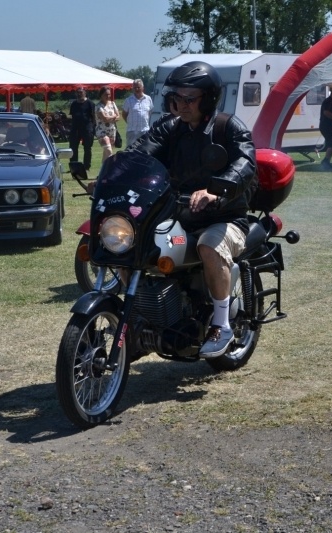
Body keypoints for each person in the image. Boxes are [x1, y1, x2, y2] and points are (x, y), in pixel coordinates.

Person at [130, 61, 257, 358]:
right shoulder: (169, 128)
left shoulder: (229, 127)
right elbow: (139, 152)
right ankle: (140, 317)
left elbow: (245, 163)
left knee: (209, 247)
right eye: (176, 98)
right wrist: (114, 173)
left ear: (209, 98)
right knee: (132, 244)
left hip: (226, 217)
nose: (180, 105)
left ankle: (222, 324)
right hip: (180, 217)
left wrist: (215, 190)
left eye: (189, 99)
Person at [69, 87, 96, 170]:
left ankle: (86, 166)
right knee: (73, 147)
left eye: (81, 92)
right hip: (75, 128)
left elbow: (94, 117)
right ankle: (74, 166)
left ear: (85, 92)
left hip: (87, 128)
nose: (79, 94)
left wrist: (93, 128)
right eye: (78, 92)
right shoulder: (74, 103)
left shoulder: (90, 103)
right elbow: (71, 115)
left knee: (87, 148)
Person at [122, 79, 153, 146]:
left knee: (144, 151)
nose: (137, 89)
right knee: (131, 152)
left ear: (143, 88)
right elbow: (124, 114)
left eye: (138, 87)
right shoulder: (128, 100)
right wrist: (130, 122)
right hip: (132, 131)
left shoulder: (148, 99)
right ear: (132, 88)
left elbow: (150, 113)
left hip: (145, 130)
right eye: (135, 87)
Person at [94, 86, 121, 162]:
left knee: (106, 154)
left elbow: (118, 116)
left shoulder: (112, 104)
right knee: (109, 151)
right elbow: (105, 119)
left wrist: (112, 117)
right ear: (101, 95)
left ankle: (103, 171)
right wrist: (114, 116)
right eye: (106, 94)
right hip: (102, 132)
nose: (108, 96)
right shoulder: (98, 106)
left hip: (112, 131)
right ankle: (111, 169)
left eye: (109, 94)